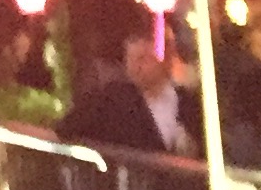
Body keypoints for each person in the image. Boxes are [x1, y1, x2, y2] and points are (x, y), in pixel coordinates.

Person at [62, 13, 191, 154]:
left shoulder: (189, 103)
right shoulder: (109, 101)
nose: (135, 67)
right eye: (129, 59)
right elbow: (66, 131)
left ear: (167, 59)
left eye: (142, 59)